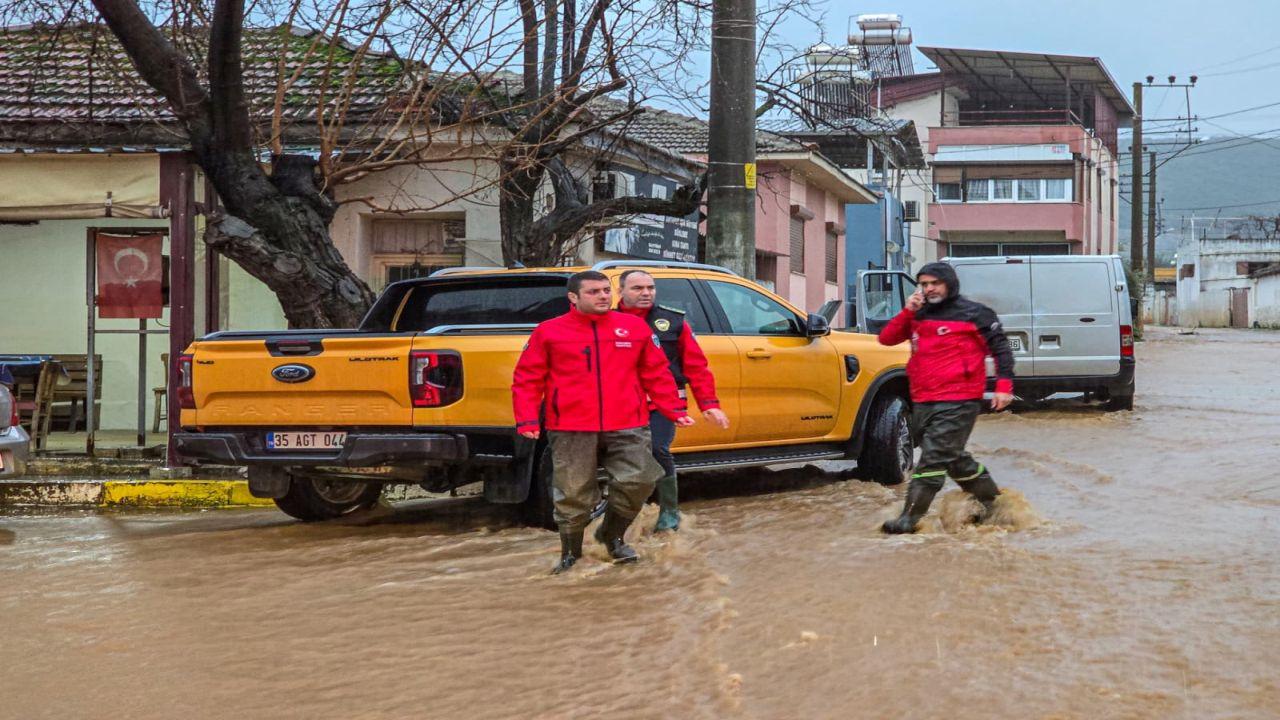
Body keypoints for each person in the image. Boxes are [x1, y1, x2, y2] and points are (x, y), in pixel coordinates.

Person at [512, 270, 694, 573]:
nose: (603, 296)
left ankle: (611, 535)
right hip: (570, 425)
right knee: (572, 492)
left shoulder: (633, 327)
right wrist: (527, 419)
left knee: (641, 479)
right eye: (593, 292)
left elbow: (657, 372)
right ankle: (570, 554)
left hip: (628, 422)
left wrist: (673, 409)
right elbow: (527, 378)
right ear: (573, 297)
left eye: (606, 291)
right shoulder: (549, 331)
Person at [877, 262, 1016, 534]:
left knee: (933, 458)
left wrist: (1004, 386)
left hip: (960, 399)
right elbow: (886, 338)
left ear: (949, 284)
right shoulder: (918, 315)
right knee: (953, 458)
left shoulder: (975, 314)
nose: (929, 289)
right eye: (924, 284)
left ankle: (909, 518)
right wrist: (908, 312)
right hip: (923, 398)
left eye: (934, 283)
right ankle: (994, 504)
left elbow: (1001, 350)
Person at [616, 269, 730, 531]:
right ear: (620, 292)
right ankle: (624, 514)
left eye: (650, 287)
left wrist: (709, 405)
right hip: (621, 402)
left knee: (657, 448)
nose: (646, 293)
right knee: (621, 456)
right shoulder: (607, 321)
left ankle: (669, 510)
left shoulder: (673, 321)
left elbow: (697, 367)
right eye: (637, 288)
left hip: (663, 403)